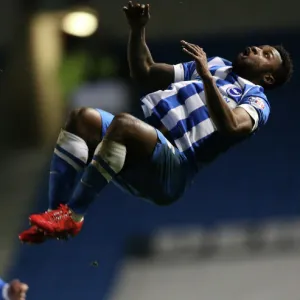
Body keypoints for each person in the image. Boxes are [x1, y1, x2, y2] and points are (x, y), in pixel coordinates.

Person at [19, 1, 293, 243]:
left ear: (268, 78)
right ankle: (55, 217)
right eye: (261, 47)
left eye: (266, 55)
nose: (257, 49)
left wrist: (207, 78)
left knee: (124, 123)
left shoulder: (256, 100)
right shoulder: (216, 65)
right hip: (144, 152)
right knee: (82, 118)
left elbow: (232, 126)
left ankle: (73, 215)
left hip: (174, 169)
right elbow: (145, 71)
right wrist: (137, 30)